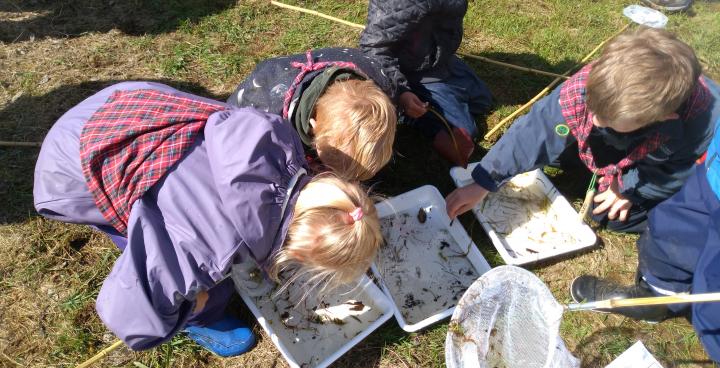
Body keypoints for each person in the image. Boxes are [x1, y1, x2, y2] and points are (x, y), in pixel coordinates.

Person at [33, 82, 383, 356]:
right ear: (298, 254)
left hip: (125, 106)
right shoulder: (204, 251)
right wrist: (186, 308)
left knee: (182, 238)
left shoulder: (281, 139)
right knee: (165, 261)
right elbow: (126, 315)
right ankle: (200, 321)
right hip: (72, 167)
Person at [446, 28, 720, 233]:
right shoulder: (594, 86)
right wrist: (484, 181)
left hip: (664, 162)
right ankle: (604, 162)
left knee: (609, 217)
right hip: (629, 137)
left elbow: (673, 172)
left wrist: (627, 189)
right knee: (548, 151)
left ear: (662, 117)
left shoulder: (699, 123)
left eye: (609, 121)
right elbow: (537, 130)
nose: (597, 122)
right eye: (594, 112)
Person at [570, 120, 720, 364]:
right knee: (676, 227)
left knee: (713, 286)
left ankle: (715, 340)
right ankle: (657, 294)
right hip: (715, 170)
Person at [227, 47, 397, 181]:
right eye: (329, 166)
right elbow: (228, 126)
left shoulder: (378, 78)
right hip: (273, 85)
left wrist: (403, 95)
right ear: (312, 126)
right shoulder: (264, 113)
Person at [359, 0, 493, 168]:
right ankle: (405, 111)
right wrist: (401, 91)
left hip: (438, 59)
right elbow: (374, 48)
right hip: (410, 69)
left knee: (483, 102)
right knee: (464, 133)